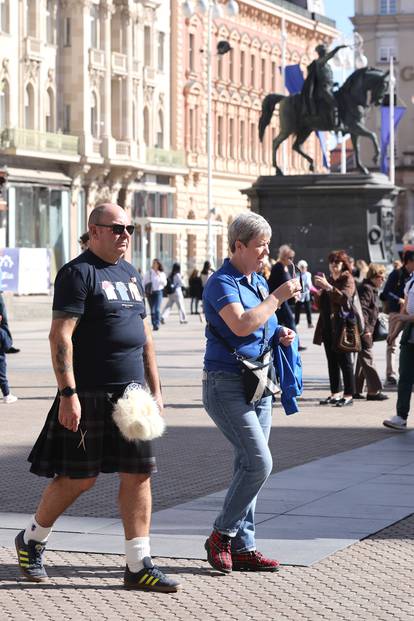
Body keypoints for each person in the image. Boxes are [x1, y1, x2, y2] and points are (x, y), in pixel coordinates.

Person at [15, 203, 180, 593]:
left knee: (139, 476)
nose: (125, 235)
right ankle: (32, 539)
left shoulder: (130, 273)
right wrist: (67, 393)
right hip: (87, 393)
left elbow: (146, 338)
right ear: (95, 230)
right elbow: (60, 336)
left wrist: (156, 390)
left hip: (133, 397)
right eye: (118, 228)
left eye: (130, 228)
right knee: (78, 478)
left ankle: (138, 564)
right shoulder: (77, 273)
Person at [202, 212, 301, 574]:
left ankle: (244, 546)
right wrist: (276, 298)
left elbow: (262, 325)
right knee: (260, 462)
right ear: (238, 246)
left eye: (267, 246)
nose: (266, 253)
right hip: (225, 383)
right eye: (260, 246)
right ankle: (221, 535)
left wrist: (280, 334)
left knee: (248, 466)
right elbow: (242, 324)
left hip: (258, 381)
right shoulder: (220, 282)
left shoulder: (256, 281)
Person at [313, 250, 357, 407]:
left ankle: (349, 394)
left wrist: (329, 287)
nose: (333, 265)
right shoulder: (330, 279)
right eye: (331, 262)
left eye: (336, 262)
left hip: (342, 327)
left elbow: (345, 299)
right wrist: (319, 293)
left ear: (343, 264)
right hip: (327, 327)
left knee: (345, 362)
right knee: (331, 361)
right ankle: (335, 393)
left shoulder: (348, 279)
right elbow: (319, 305)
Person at [383, 270, 414, 431]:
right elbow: (405, 310)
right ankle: (401, 416)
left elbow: (406, 315)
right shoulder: (411, 281)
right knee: (405, 377)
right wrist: (394, 333)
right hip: (410, 336)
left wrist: (406, 318)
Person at [354, 264, 388, 401]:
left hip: (367, 330)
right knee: (368, 358)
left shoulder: (370, 288)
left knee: (362, 359)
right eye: (381, 277)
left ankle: (356, 389)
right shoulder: (367, 289)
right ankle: (373, 391)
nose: (383, 280)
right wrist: (366, 329)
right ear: (374, 277)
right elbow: (362, 310)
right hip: (365, 330)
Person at [380, 250, 414, 385]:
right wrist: (398, 299)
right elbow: (385, 292)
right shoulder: (397, 274)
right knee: (392, 344)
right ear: (409, 262)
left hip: (409, 315)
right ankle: (391, 374)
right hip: (396, 313)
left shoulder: (412, 276)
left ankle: (406, 372)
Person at [267, 245, 306, 351]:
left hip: (283, 301)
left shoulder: (285, 267)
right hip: (278, 301)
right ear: (283, 257)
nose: (292, 260)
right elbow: (280, 284)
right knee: (289, 321)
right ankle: (294, 343)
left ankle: (289, 343)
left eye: (293, 257)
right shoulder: (278, 267)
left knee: (284, 322)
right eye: (290, 257)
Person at [301, 43, 347, 128]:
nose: (326, 53)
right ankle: (335, 124)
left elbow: (327, 77)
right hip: (323, 89)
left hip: (330, 87)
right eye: (325, 52)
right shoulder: (320, 62)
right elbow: (330, 56)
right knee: (335, 103)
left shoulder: (327, 65)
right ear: (321, 53)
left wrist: (333, 84)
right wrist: (337, 48)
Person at [144, 259, 167, 331]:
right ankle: (154, 324)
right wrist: (143, 291)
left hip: (158, 292)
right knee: (152, 310)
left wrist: (159, 275)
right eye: (154, 263)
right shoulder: (149, 273)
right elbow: (144, 282)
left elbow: (165, 283)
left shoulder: (162, 273)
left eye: (156, 264)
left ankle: (157, 324)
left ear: (159, 265)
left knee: (157, 309)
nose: (155, 265)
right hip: (150, 293)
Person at [0, 313, 18, 403]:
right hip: (0, 360)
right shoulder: (2, 332)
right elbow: (7, 346)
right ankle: (7, 395)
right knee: (2, 378)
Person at [294, 259, 313, 328]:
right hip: (299, 295)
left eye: (304, 267)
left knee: (308, 309)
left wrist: (308, 286)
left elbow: (309, 284)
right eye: (301, 267)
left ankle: (309, 323)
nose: (303, 268)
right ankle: (296, 323)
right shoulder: (297, 275)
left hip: (306, 294)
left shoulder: (308, 274)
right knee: (297, 310)